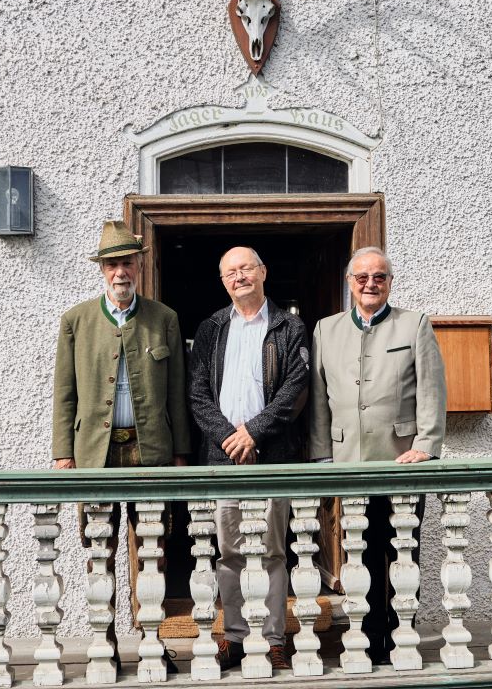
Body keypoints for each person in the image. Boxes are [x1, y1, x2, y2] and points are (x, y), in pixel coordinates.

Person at [51, 219, 190, 669]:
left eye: (127, 263)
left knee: (152, 550)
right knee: (99, 551)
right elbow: (64, 392)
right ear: (102, 270)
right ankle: (103, 645)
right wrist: (63, 454)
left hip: (149, 452)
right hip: (95, 454)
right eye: (112, 265)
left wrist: (180, 453)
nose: (120, 272)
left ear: (139, 266)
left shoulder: (163, 319)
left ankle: (151, 642)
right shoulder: (76, 321)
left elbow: (176, 394)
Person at [308, 246, 446, 665]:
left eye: (379, 277)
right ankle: (366, 636)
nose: (370, 284)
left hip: (402, 458)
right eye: (362, 277)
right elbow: (318, 399)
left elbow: (431, 391)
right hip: (349, 461)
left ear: (389, 282)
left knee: (403, 550)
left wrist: (427, 444)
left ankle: (401, 634)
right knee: (359, 552)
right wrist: (321, 456)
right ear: (350, 282)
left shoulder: (414, 325)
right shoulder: (325, 330)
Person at [188, 246, 310, 673]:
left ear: (263, 272)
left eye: (246, 269)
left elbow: (294, 389)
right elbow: (197, 394)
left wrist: (254, 432)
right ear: (223, 282)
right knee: (229, 552)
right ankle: (237, 637)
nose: (239, 277)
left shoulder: (289, 326)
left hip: (271, 454)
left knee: (274, 550)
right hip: (223, 459)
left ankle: (275, 637)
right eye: (230, 272)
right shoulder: (211, 329)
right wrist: (229, 438)